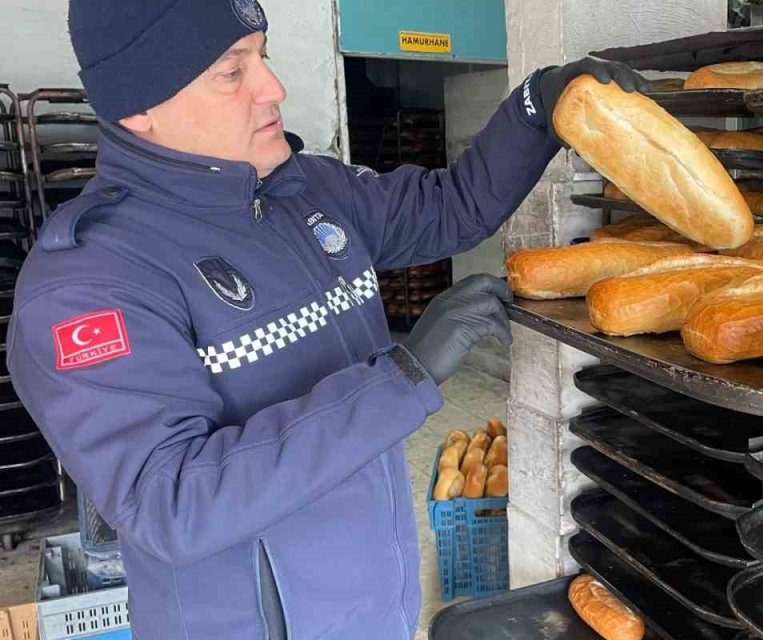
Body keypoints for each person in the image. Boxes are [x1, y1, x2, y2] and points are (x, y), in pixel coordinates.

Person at [6, 1, 646, 638]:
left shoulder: (305, 191)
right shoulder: (89, 282)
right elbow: (170, 503)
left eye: (263, 55)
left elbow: (454, 207)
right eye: (232, 72)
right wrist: (406, 372)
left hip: (375, 600)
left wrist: (538, 106)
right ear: (139, 105)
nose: (272, 88)